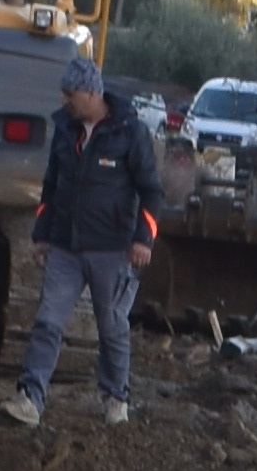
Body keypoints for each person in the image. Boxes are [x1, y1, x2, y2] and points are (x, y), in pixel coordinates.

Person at [11, 53, 162, 426]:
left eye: (70, 94)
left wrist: (144, 239)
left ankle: (116, 398)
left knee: (111, 327)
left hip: (113, 250)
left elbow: (152, 192)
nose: (64, 101)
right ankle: (30, 398)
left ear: (91, 93)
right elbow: (51, 186)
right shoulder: (64, 129)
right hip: (65, 246)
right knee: (48, 321)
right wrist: (42, 235)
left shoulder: (131, 133)